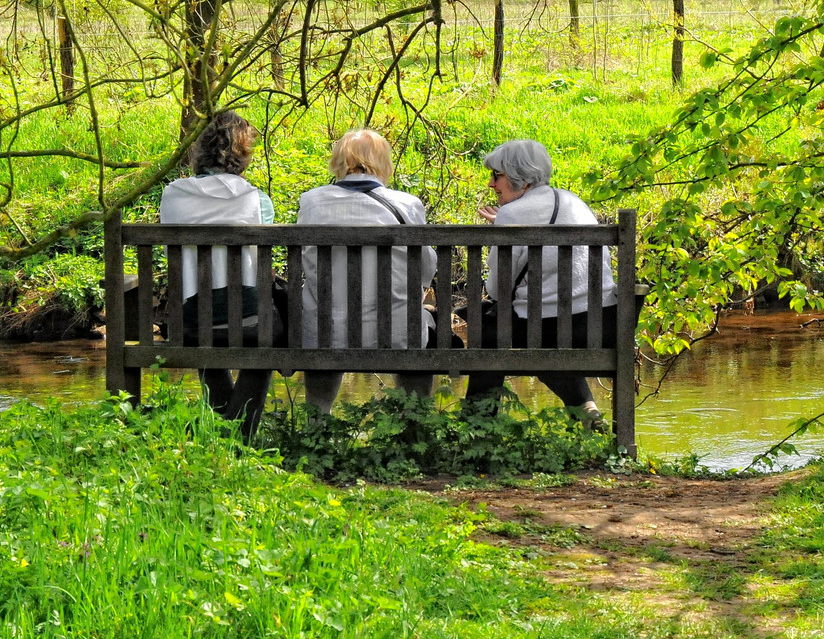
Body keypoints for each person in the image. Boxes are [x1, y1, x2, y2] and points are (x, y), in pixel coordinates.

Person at [463, 138, 614, 429]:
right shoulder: (575, 203)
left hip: (548, 328)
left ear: (519, 177)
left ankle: (476, 429)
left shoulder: (511, 214)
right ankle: (586, 411)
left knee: (490, 330)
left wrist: (505, 224)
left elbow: (496, 291)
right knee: (543, 333)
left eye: (497, 176)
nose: (492, 184)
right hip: (600, 324)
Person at [295, 129, 438, 415]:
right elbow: (426, 267)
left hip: (326, 334)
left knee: (324, 320)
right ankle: (416, 423)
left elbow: (304, 259)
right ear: (383, 162)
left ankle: (317, 423)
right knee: (419, 322)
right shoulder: (408, 205)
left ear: (339, 161)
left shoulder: (311, 202)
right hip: (397, 335)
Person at [157, 110, 281, 434]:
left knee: (208, 328)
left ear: (203, 150)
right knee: (270, 337)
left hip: (192, 321)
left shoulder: (173, 194)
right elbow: (263, 262)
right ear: (243, 154)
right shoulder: (255, 199)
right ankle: (238, 436)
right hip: (250, 320)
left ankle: (225, 431)